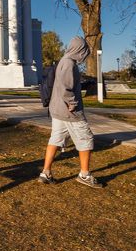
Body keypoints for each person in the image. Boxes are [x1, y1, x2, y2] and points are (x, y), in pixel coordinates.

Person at [38, 36, 102, 189]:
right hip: (69, 111)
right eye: (84, 51)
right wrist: (72, 103)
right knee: (86, 139)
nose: (85, 55)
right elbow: (66, 87)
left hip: (58, 110)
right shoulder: (68, 63)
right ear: (79, 50)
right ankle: (84, 175)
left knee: (56, 139)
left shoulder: (64, 61)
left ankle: (45, 173)